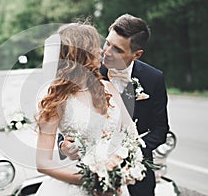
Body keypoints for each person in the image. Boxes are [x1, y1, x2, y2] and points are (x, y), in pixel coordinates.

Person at [59, 14, 170, 196]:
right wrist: (62, 144)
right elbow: (66, 114)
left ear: (137, 54)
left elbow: (160, 129)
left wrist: (126, 153)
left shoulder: (153, 79)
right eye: (107, 43)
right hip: (90, 174)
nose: (107, 52)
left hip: (137, 176)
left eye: (117, 49)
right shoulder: (89, 70)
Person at [35, 23, 137, 195]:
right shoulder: (57, 98)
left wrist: (118, 170)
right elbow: (43, 163)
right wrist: (93, 179)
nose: (101, 51)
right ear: (80, 54)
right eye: (94, 46)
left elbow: (131, 136)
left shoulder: (108, 87)